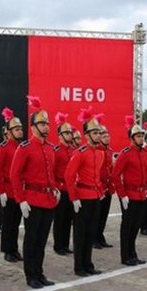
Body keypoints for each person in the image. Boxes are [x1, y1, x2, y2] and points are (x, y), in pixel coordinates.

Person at [10, 97, 59, 289]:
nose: (46, 127)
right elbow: (15, 175)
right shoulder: (25, 148)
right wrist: (21, 199)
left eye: (47, 123)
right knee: (31, 240)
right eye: (41, 123)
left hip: (48, 200)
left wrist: (55, 189)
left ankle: (39, 272)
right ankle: (31, 275)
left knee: (42, 240)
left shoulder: (49, 148)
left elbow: (51, 173)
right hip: (32, 199)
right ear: (33, 127)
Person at [65, 108, 105, 276]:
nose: (98, 135)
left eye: (99, 132)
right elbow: (69, 175)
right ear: (87, 135)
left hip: (95, 197)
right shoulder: (79, 153)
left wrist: (101, 191)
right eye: (94, 132)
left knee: (90, 233)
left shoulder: (100, 153)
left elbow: (97, 176)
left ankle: (88, 263)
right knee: (80, 234)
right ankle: (79, 266)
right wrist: (74, 198)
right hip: (82, 197)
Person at [112, 116, 147, 265]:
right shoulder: (126, 153)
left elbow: (145, 174)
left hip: (141, 195)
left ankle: (133, 254)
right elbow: (115, 176)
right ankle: (125, 256)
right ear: (132, 138)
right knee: (127, 226)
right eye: (138, 136)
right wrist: (122, 195)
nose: (141, 139)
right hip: (129, 195)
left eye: (142, 136)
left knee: (135, 226)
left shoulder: (144, 153)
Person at [0, 107, 24, 263]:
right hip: (7, 190)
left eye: (20, 129)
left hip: (18, 191)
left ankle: (14, 249)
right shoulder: (3, 148)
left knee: (16, 223)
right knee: (7, 223)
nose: (20, 132)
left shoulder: (21, 147)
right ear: (9, 131)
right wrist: (1, 191)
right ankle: (7, 250)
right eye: (16, 129)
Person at [52, 114, 75, 255]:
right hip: (60, 188)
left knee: (68, 219)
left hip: (71, 189)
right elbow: (52, 172)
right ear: (60, 135)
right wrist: (55, 189)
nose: (69, 135)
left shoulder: (74, 150)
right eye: (66, 133)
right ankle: (58, 245)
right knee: (60, 219)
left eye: (70, 132)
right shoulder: (56, 151)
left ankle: (65, 244)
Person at [95, 123, 115, 250]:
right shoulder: (97, 150)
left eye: (108, 135)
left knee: (103, 215)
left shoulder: (109, 150)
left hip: (107, 186)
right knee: (96, 215)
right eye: (104, 136)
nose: (107, 138)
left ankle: (100, 237)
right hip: (99, 186)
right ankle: (94, 239)